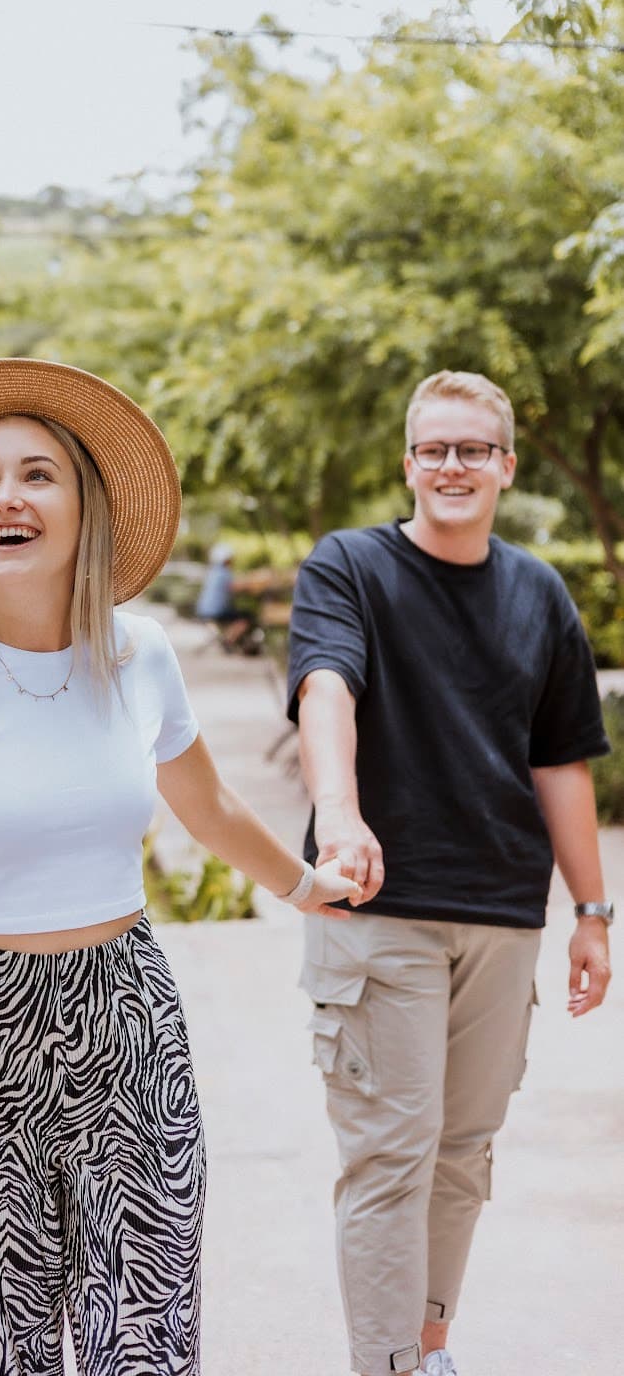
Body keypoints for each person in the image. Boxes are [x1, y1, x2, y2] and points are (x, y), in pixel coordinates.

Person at [0, 357, 360, 1376]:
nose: (6, 494)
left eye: (37, 473)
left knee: (149, 1342)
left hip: (126, 1015)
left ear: (84, 504)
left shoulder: (141, 654)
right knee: (0, 1353)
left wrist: (306, 885)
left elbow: (205, 800)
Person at [286, 369, 613, 1376]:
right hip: (377, 907)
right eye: (433, 448)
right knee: (390, 1152)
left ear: (504, 468)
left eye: (473, 449)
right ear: (407, 463)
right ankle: (384, 1364)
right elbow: (325, 686)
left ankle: (425, 1346)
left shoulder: (536, 593)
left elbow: (557, 760)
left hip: (500, 914)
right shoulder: (348, 567)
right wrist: (338, 815)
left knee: (460, 1152)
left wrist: (591, 910)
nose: (452, 466)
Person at [195, 543, 258, 652]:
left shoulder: (213, 571)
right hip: (216, 611)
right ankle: (228, 640)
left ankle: (228, 639)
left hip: (202, 609)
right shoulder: (224, 572)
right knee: (247, 617)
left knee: (238, 613)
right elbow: (235, 587)